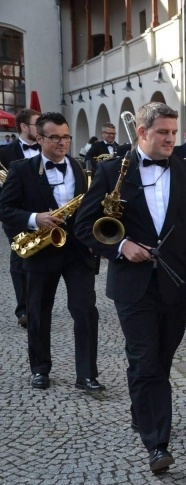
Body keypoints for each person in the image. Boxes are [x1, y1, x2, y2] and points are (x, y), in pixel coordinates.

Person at [73, 102, 186, 474]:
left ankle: (142, 409)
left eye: (173, 132)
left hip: (177, 283)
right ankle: (157, 444)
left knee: (159, 360)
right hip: (132, 285)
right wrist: (120, 247)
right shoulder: (111, 170)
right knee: (146, 358)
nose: (170, 139)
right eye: (163, 132)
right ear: (143, 132)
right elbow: (84, 226)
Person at [0, 112, 101, 392]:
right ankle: (40, 370)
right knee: (38, 313)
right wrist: (35, 218)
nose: (62, 142)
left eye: (66, 136)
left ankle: (87, 375)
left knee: (85, 311)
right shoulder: (21, 170)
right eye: (54, 137)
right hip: (41, 250)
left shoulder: (81, 169)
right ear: (39, 138)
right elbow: (4, 209)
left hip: (78, 252)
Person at [0, 108, 41, 328]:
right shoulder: (5, 153)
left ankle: (39, 304)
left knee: (41, 258)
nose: (41, 129)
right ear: (24, 127)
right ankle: (23, 309)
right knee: (20, 257)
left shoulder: (46, 148)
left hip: (44, 214)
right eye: (37, 124)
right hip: (16, 215)